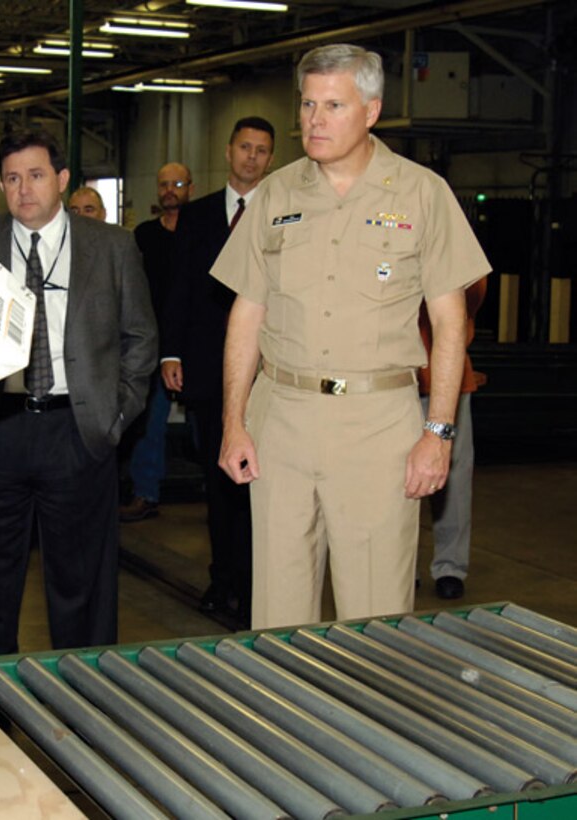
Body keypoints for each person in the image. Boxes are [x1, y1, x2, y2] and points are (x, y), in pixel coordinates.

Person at [215, 44, 491, 629]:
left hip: (378, 425)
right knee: (276, 613)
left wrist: (437, 433)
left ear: (371, 110)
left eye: (333, 105)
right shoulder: (276, 195)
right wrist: (233, 422)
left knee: (375, 613)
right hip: (281, 422)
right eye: (308, 104)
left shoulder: (421, 194)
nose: (314, 120)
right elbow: (246, 314)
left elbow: (449, 325)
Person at [0, 130, 157, 658]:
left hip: (77, 430)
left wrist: (115, 416)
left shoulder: (112, 246)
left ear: (61, 180)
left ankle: (85, 699)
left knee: (83, 585)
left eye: (35, 175)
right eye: (11, 178)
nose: (23, 189)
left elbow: (141, 339)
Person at [161, 119, 275, 624]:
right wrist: (171, 353)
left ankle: (257, 588)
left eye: (263, 151)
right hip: (210, 369)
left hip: (270, 370)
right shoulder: (199, 215)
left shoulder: (282, 210)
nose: (252, 158)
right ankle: (221, 577)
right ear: (228, 152)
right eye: (245, 148)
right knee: (218, 480)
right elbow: (180, 287)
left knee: (262, 486)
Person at [120, 162, 194, 522]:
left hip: (197, 344)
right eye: (164, 184)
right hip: (155, 345)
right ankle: (145, 494)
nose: (170, 190)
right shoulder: (144, 236)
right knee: (150, 423)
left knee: (208, 429)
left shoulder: (202, 230)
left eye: (177, 183)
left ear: (189, 187)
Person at [421, 277, 488, 600]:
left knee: (454, 476)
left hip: (447, 378)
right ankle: (397, 564)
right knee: (387, 480)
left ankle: (450, 566)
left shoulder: (451, 234)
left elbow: (473, 293)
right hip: (391, 380)